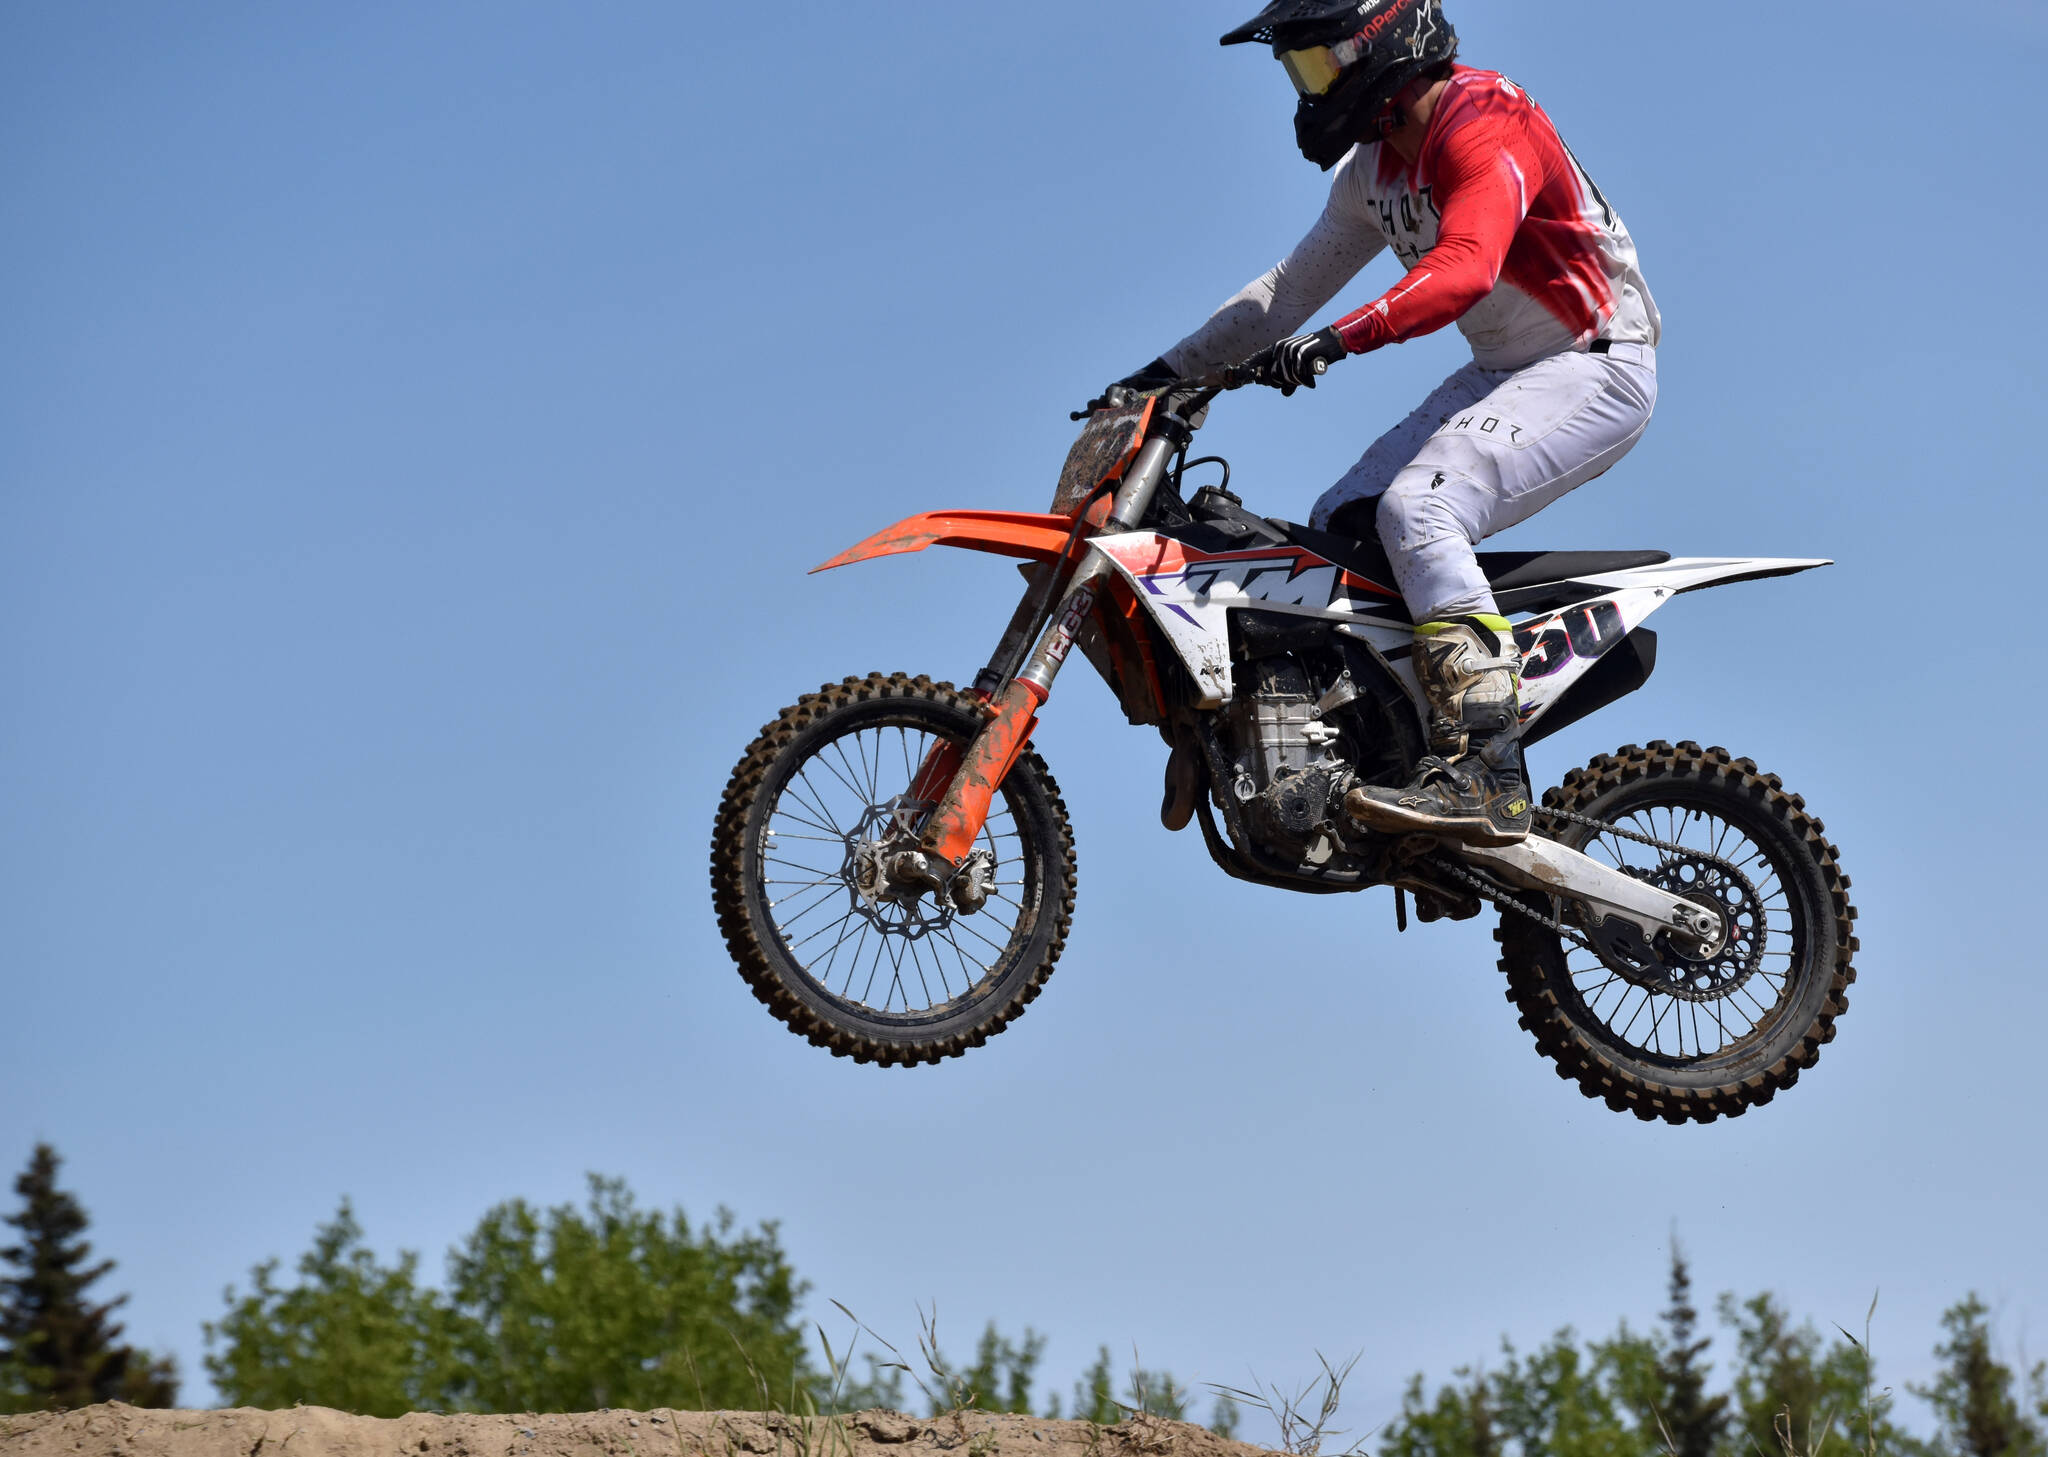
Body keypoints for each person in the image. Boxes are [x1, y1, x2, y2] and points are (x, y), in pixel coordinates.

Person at [1109, 0, 1659, 846]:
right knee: (1341, 527)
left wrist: (1336, 341)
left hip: (1593, 362)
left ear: (1385, 42)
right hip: (1504, 371)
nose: (1309, 90)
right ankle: (1383, 766)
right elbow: (1281, 297)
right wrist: (1157, 377)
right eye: (1300, 74)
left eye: (1318, 66)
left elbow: (1465, 271)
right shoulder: (1372, 172)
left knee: (1420, 511)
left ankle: (1489, 772)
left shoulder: (1485, 121)